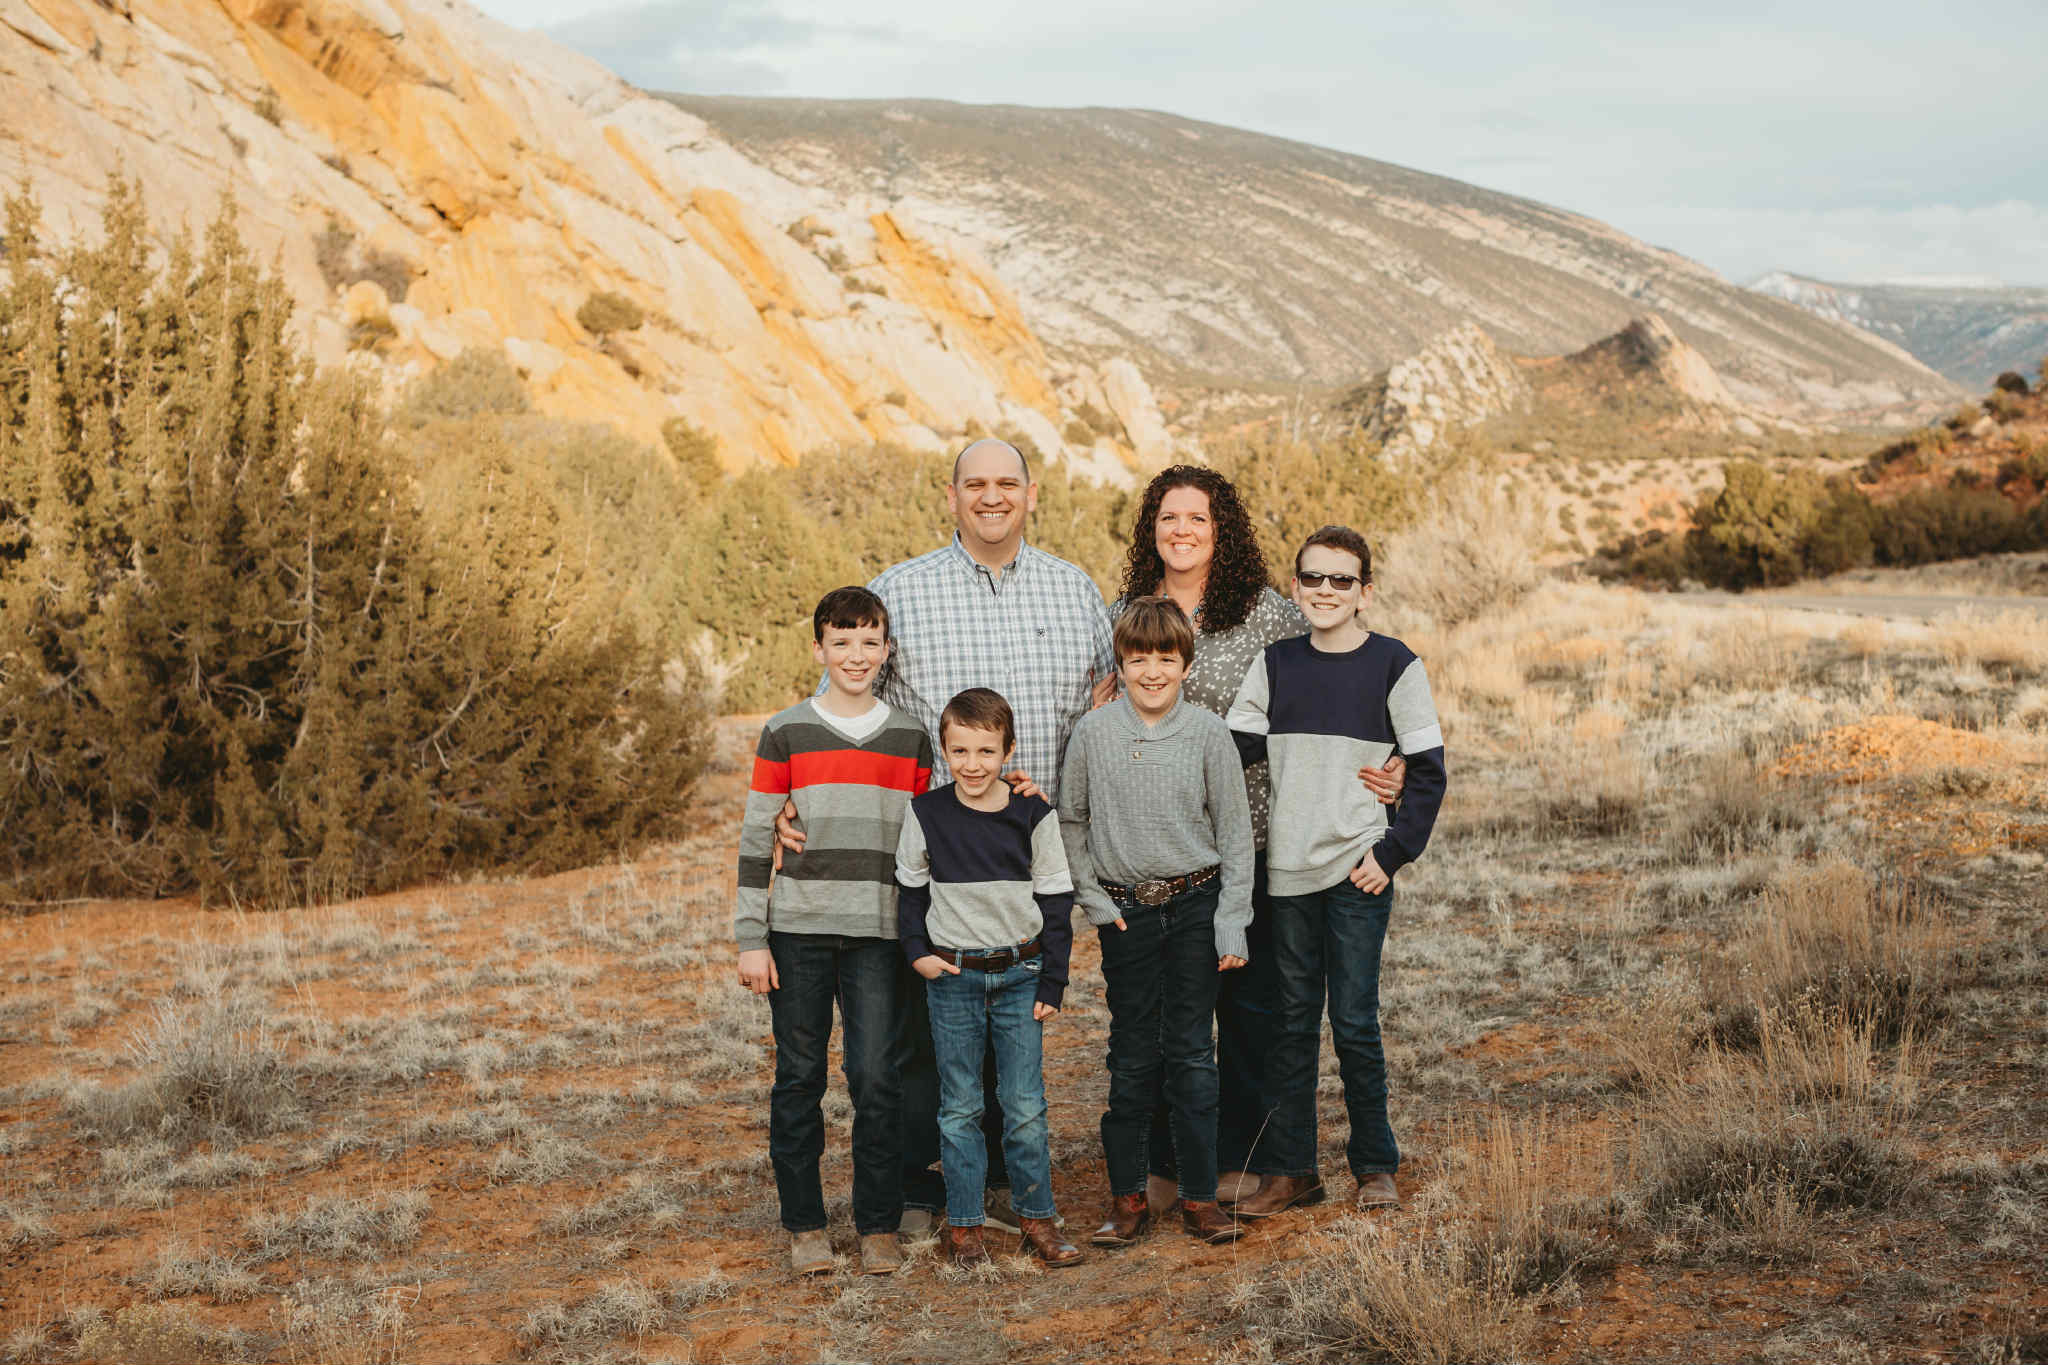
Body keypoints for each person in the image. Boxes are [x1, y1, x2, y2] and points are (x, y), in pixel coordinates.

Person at [777, 438, 1114, 1236]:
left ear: (1031, 493)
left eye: (1007, 483)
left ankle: (997, 1175)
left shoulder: (1074, 591)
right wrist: (794, 791)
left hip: (1027, 850)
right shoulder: (903, 589)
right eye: (976, 483)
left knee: (1013, 1020)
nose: (992, 496)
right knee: (928, 1026)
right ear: (951, 494)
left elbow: (1100, 711)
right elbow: (845, 695)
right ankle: (923, 1181)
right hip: (931, 851)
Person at [1108, 465, 1407, 1213]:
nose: (1181, 530)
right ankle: (1166, 1155)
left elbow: (1341, 674)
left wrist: (1396, 757)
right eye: (1168, 517)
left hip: (1259, 835)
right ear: (1151, 528)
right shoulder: (1125, 612)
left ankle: (1243, 1151)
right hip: (1160, 843)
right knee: (1166, 1009)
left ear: (1222, 530)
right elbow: (1103, 707)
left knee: (1251, 1008)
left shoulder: (1268, 614)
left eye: (1197, 518)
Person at [1225, 525, 1448, 1217]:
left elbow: (1429, 770)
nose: (1325, 590)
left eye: (1341, 579)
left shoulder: (1394, 664)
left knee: (1352, 1021)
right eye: (1312, 578)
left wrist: (1391, 853)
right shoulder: (1275, 663)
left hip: (1357, 869)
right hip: (1288, 871)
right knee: (1292, 1023)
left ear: (1364, 592)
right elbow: (1230, 750)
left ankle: (1375, 1165)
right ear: (1295, 587)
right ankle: (1292, 1171)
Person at [733, 587, 935, 1276]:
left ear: (887, 650)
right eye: (841, 641)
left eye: (869, 641)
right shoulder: (786, 731)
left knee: (877, 1078)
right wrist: (750, 938)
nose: (856, 654)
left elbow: (922, 845)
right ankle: (806, 1226)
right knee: (799, 1077)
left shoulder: (910, 737)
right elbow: (757, 837)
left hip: (879, 934)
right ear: (819, 648)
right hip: (798, 930)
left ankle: (877, 1224)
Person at [1058, 596, 1254, 1247]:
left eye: (1165, 659)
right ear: (1120, 663)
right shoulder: (1093, 733)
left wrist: (1232, 920)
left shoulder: (1208, 733)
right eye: (1138, 658)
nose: (1152, 671)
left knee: (1192, 1053)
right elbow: (1071, 820)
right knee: (1133, 1054)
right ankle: (1128, 1198)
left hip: (1196, 904)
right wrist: (1094, 899)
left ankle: (1199, 1197)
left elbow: (1235, 833)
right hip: (1125, 914)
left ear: (1186, 664)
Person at [896, 688, 1085, 1268]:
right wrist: (917, 953)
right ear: (944, 750)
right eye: (960, 751)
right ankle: (965, 1226)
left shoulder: (1032, 813)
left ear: (1008, 751)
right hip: (953, 976)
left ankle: (1037, 1217)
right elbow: (910, 890)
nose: (973, 765)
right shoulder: (926, 813)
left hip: (1021, 974)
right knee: (960, 1106)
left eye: (986, 751)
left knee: (1024, 1106)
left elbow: (1056, 898)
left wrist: (1053, 979)